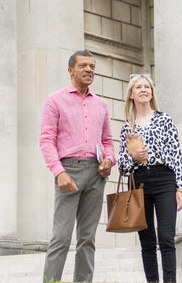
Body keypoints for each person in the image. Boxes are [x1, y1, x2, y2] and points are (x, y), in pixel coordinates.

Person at [40, 49, 115, 283]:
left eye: (92, 66)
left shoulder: (101, 105)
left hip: (96, 173)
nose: (89, 70)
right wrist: (58, 171)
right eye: (83, 66)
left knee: (87, 238)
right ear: (70, 70)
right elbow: (46, 140)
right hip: (68, 171)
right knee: (61, 237)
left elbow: (107, 141)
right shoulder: (55, 100)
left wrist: (109, 161)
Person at [116, 73, 182, 283]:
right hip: (139, 182)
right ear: (131, 94)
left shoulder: (164, 119)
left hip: (165, 179)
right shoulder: (127, 127)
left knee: (166, 238)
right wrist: (133, 156)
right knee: (147, 241)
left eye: (147, 87)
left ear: (151, 92)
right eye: (138, 87)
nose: (143, 90)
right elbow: (121, 165)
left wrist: (181, 188)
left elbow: (177, 154)